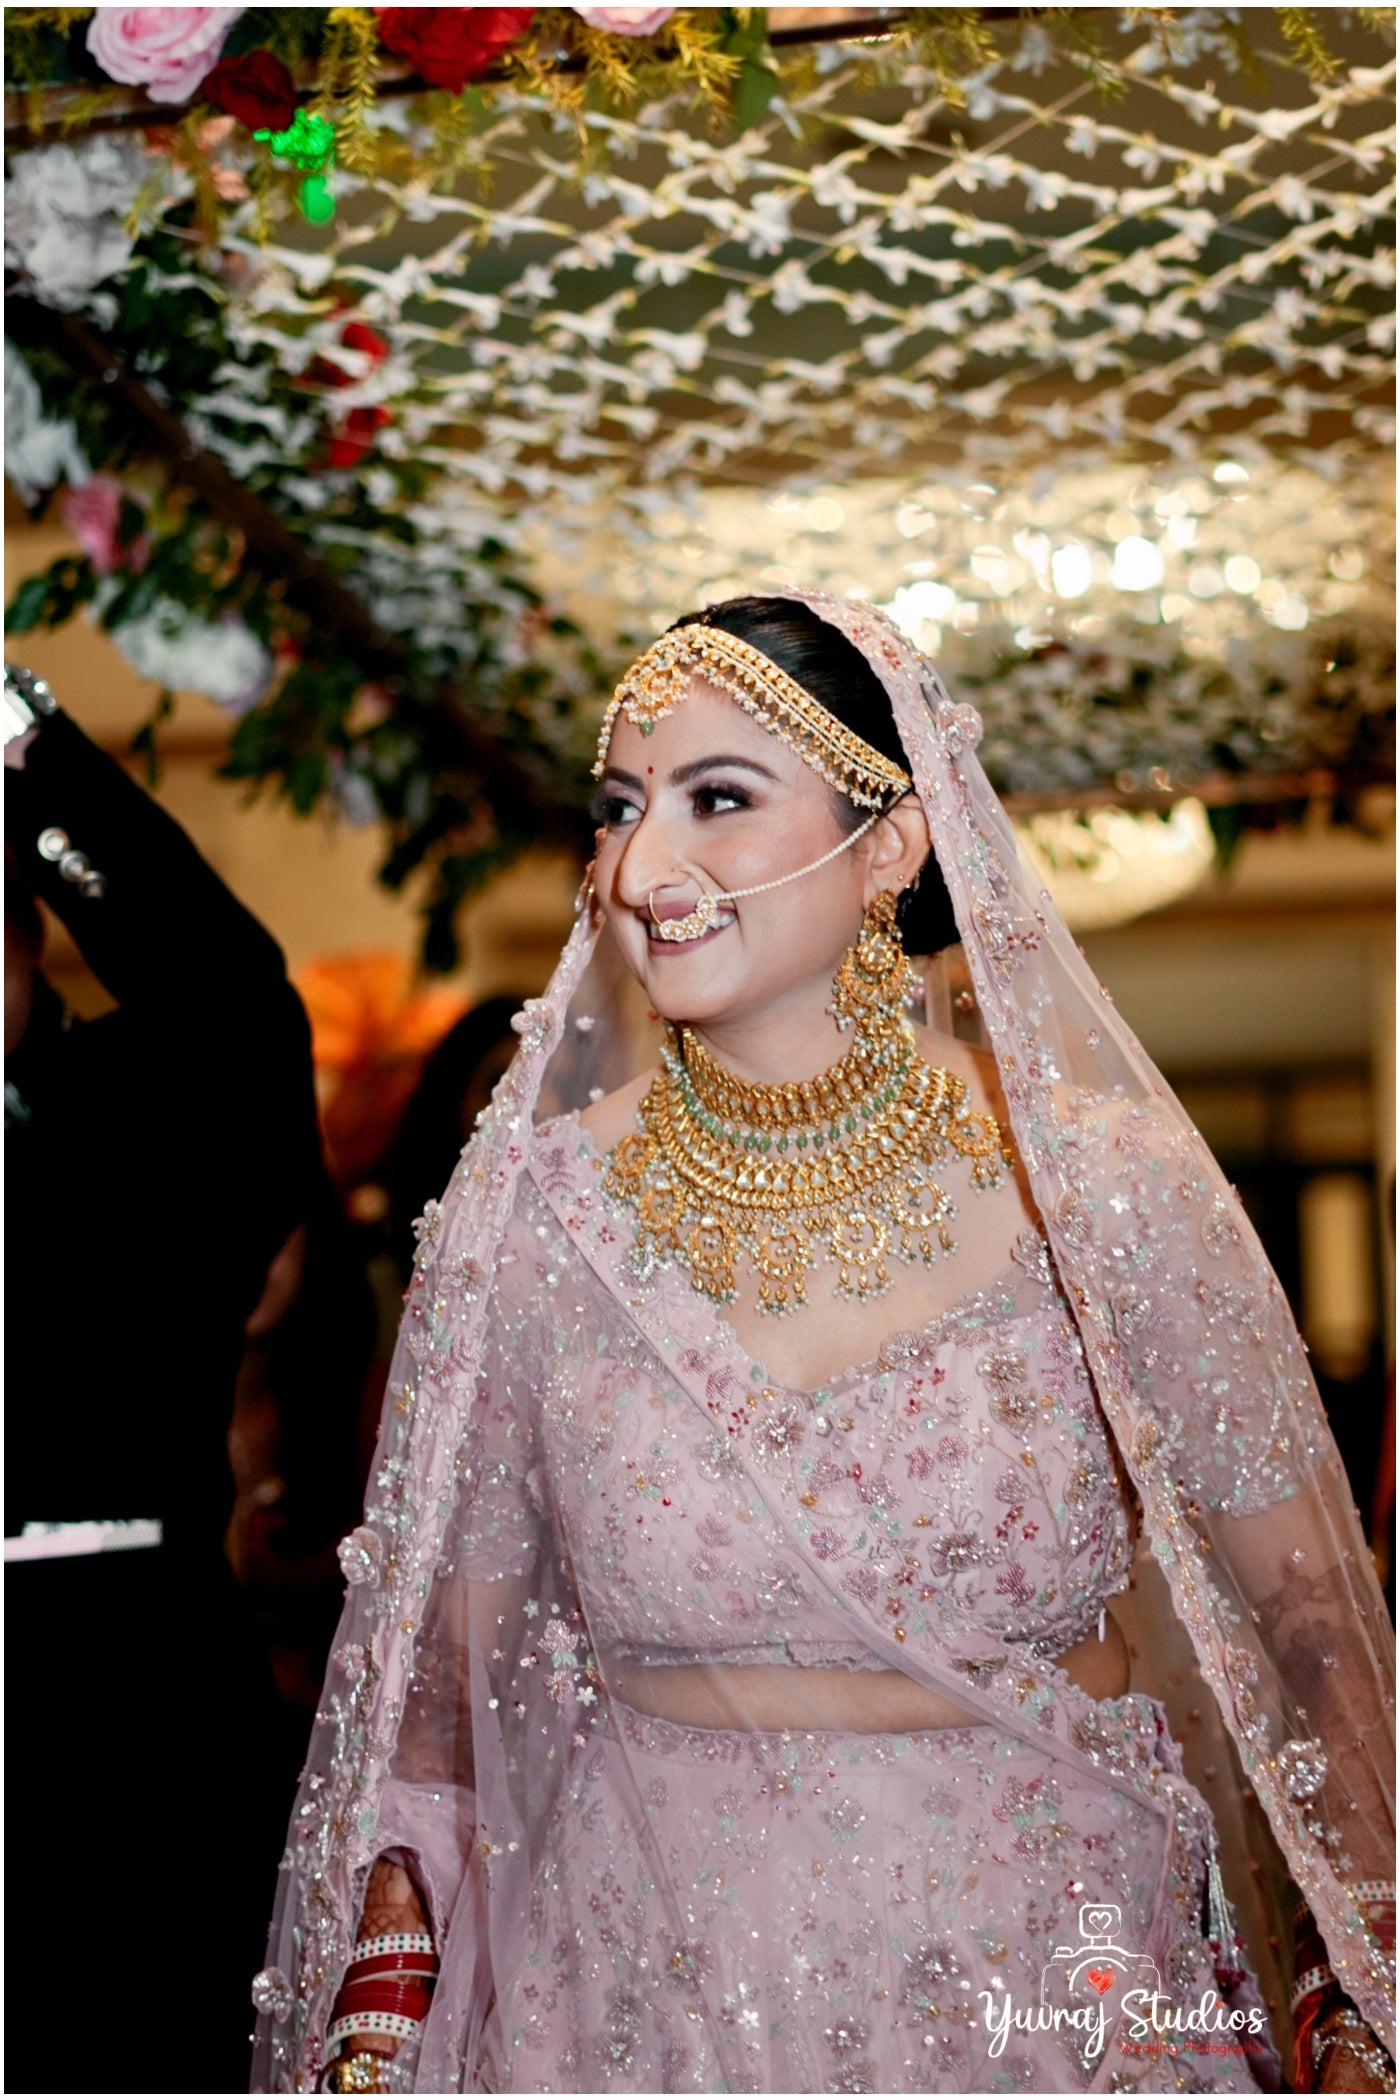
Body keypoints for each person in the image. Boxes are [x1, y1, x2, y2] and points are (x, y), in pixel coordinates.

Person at [253, 595, 1396, 2095]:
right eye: (621, 807)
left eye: (718, 798)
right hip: (636, 1999)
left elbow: (1307, 1626)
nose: (640, 869)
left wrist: (1357, 1973)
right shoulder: (534, 1214)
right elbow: (448, 1690)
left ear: (891, 845)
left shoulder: (1095, 1185)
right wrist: (383, 2003)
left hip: (1048, 1985)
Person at [4, 664, 325, 2092]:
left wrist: (19, 742)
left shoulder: (149, 1108)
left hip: (124, 1695)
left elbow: (241, 1010)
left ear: (29, 932)